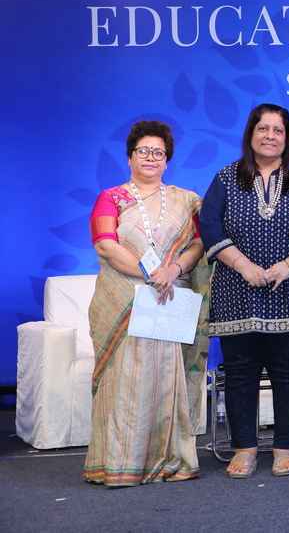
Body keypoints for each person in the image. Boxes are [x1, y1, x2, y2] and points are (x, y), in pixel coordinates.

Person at [200, 103, 289, 478]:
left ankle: (285, 446)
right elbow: (210, 225)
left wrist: (288, 265)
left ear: (287, 138)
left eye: (278, 130)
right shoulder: (226, 178)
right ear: (251, 134)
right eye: (263, 128)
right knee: (240, 373)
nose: (270, 136)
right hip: (236, 290)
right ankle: (244, 448)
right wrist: (244, 266)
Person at [83, 120, 207, 486]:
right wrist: (148, 272)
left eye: (158, 153)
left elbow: (199, 244)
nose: (151, 158)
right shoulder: (111, 198)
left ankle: (172, 461)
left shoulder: (186, 200)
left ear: (167, 159)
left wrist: (174, 269)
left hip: (169, 302)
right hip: (125, 301)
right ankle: (121, 465)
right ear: (130, 156)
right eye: (143, 151)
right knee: (125, 384)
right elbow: (106, 244)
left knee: (168, 382)